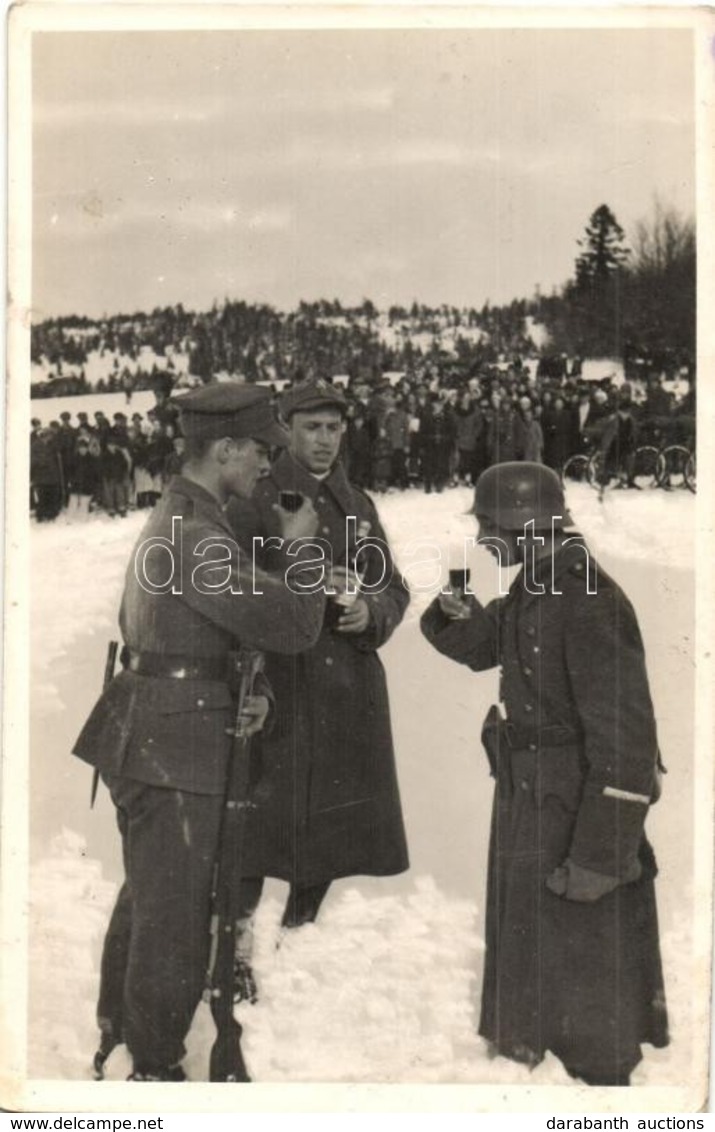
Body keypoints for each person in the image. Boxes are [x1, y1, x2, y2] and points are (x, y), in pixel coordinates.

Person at [72, 384, 326, 1081]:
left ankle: (122, 1034)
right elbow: (295, 625)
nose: (267, 468)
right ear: (225, 449)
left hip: (161, 730)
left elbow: (200, 634)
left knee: (155, 897)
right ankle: (153, 1069)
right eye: (261, 451)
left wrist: (252, 693)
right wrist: (301, 553)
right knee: (176, 917)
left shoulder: (188, 518)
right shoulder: (198, 536)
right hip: (173, 745)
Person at [420, 462, 668, 1086]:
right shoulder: (543, 582)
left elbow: (628, 740)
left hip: (573, 807)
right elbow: (489, 647)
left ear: (526, 526)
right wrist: (458, 612)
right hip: (536, 795)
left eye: (489, 527)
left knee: (586, 965)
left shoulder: (586, 595)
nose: (483, 541)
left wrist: (601, 853)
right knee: (546, 950)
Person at [227, 378, 410, 950]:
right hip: (275, 680)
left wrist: (371, 613)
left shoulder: (357, 504)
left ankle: (297, 932)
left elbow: (394, 587)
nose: (324, 440)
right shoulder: (255, 497)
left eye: (333, 428)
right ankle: (234, 944)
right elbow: (230, 591)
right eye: (311, 428)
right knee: (257, 821)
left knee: (331, 816)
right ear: (287, 431)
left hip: (340, 688)